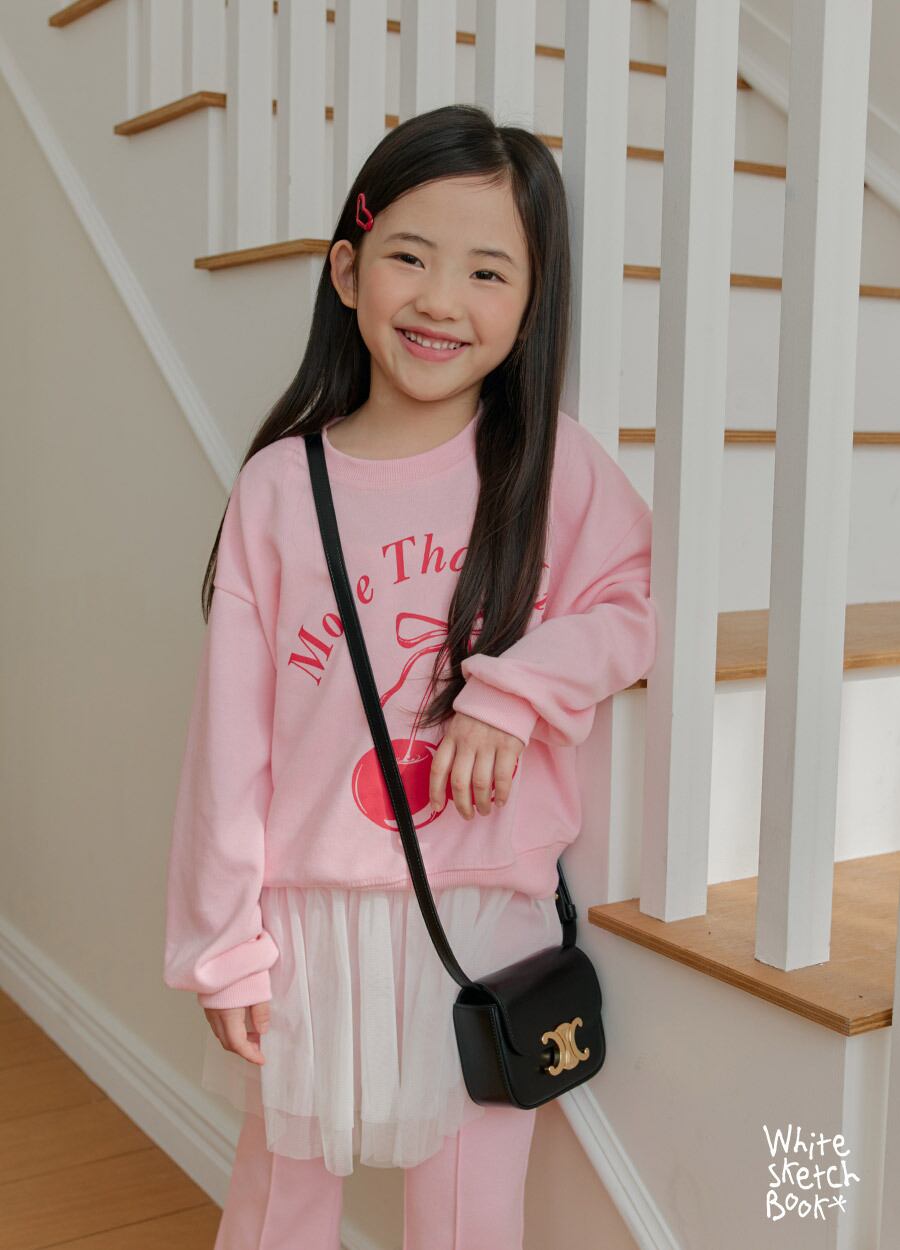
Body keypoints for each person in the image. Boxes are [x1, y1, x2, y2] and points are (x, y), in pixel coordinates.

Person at [163, 102, 658, 1250]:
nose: (442, 299)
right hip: (309, 912)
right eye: (410, 257)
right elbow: (228, 746)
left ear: (531, 302)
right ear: (348, 270)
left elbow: (630, 608)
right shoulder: (281, 488)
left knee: (467, 1213)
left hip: (479, 910)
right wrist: (221, 941)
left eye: (488, 271)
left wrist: (512, 691)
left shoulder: (548, 467)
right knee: (281, 1202)